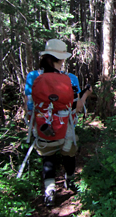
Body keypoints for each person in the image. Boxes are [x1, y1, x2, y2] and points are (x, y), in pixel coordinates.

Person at [24, 39, 92, 207]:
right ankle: (69, 182)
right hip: (66, 125)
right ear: (62, 59)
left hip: (42, 126)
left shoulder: (33, 76)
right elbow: (76, 107)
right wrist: (86, 94)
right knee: (68, 154)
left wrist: (35, 122)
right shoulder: (70, 78)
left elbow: (29, 105)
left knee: (47, 158)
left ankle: (49, 192)